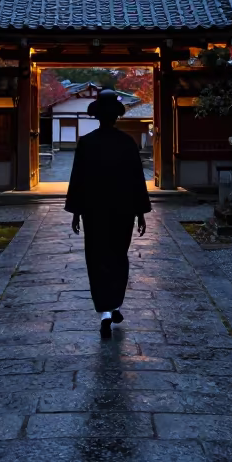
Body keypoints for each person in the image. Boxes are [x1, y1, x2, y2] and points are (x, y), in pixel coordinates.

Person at [65, 89, 152, 338]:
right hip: (123, 210)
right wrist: (141, 213)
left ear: (97, 116)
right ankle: (115, 305)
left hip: (94, 211)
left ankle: (105, 310)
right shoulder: (127, 143)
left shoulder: (87, 143)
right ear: (116, 116)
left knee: (96, 257)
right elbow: (137, 180)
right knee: (118, 256)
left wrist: (75, 212)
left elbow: (78, 179)